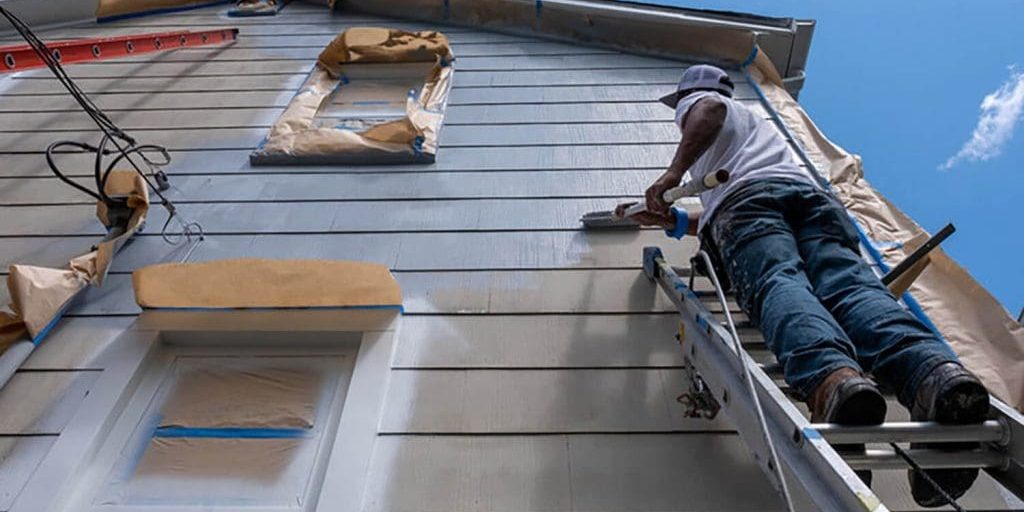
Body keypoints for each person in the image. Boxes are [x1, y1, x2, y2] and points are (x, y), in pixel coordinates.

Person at [616, 64, 990, 507]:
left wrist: (671, 174)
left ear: (688, 98)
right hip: (810, 202)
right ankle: (934, 375)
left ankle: (834, 381)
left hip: (751, 208)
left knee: (778, 281)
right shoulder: (755, 128)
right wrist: (676, 220)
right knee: (853, 290)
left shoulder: (704, 105)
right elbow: (742, 187)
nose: (683, 116)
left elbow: (711, 112)